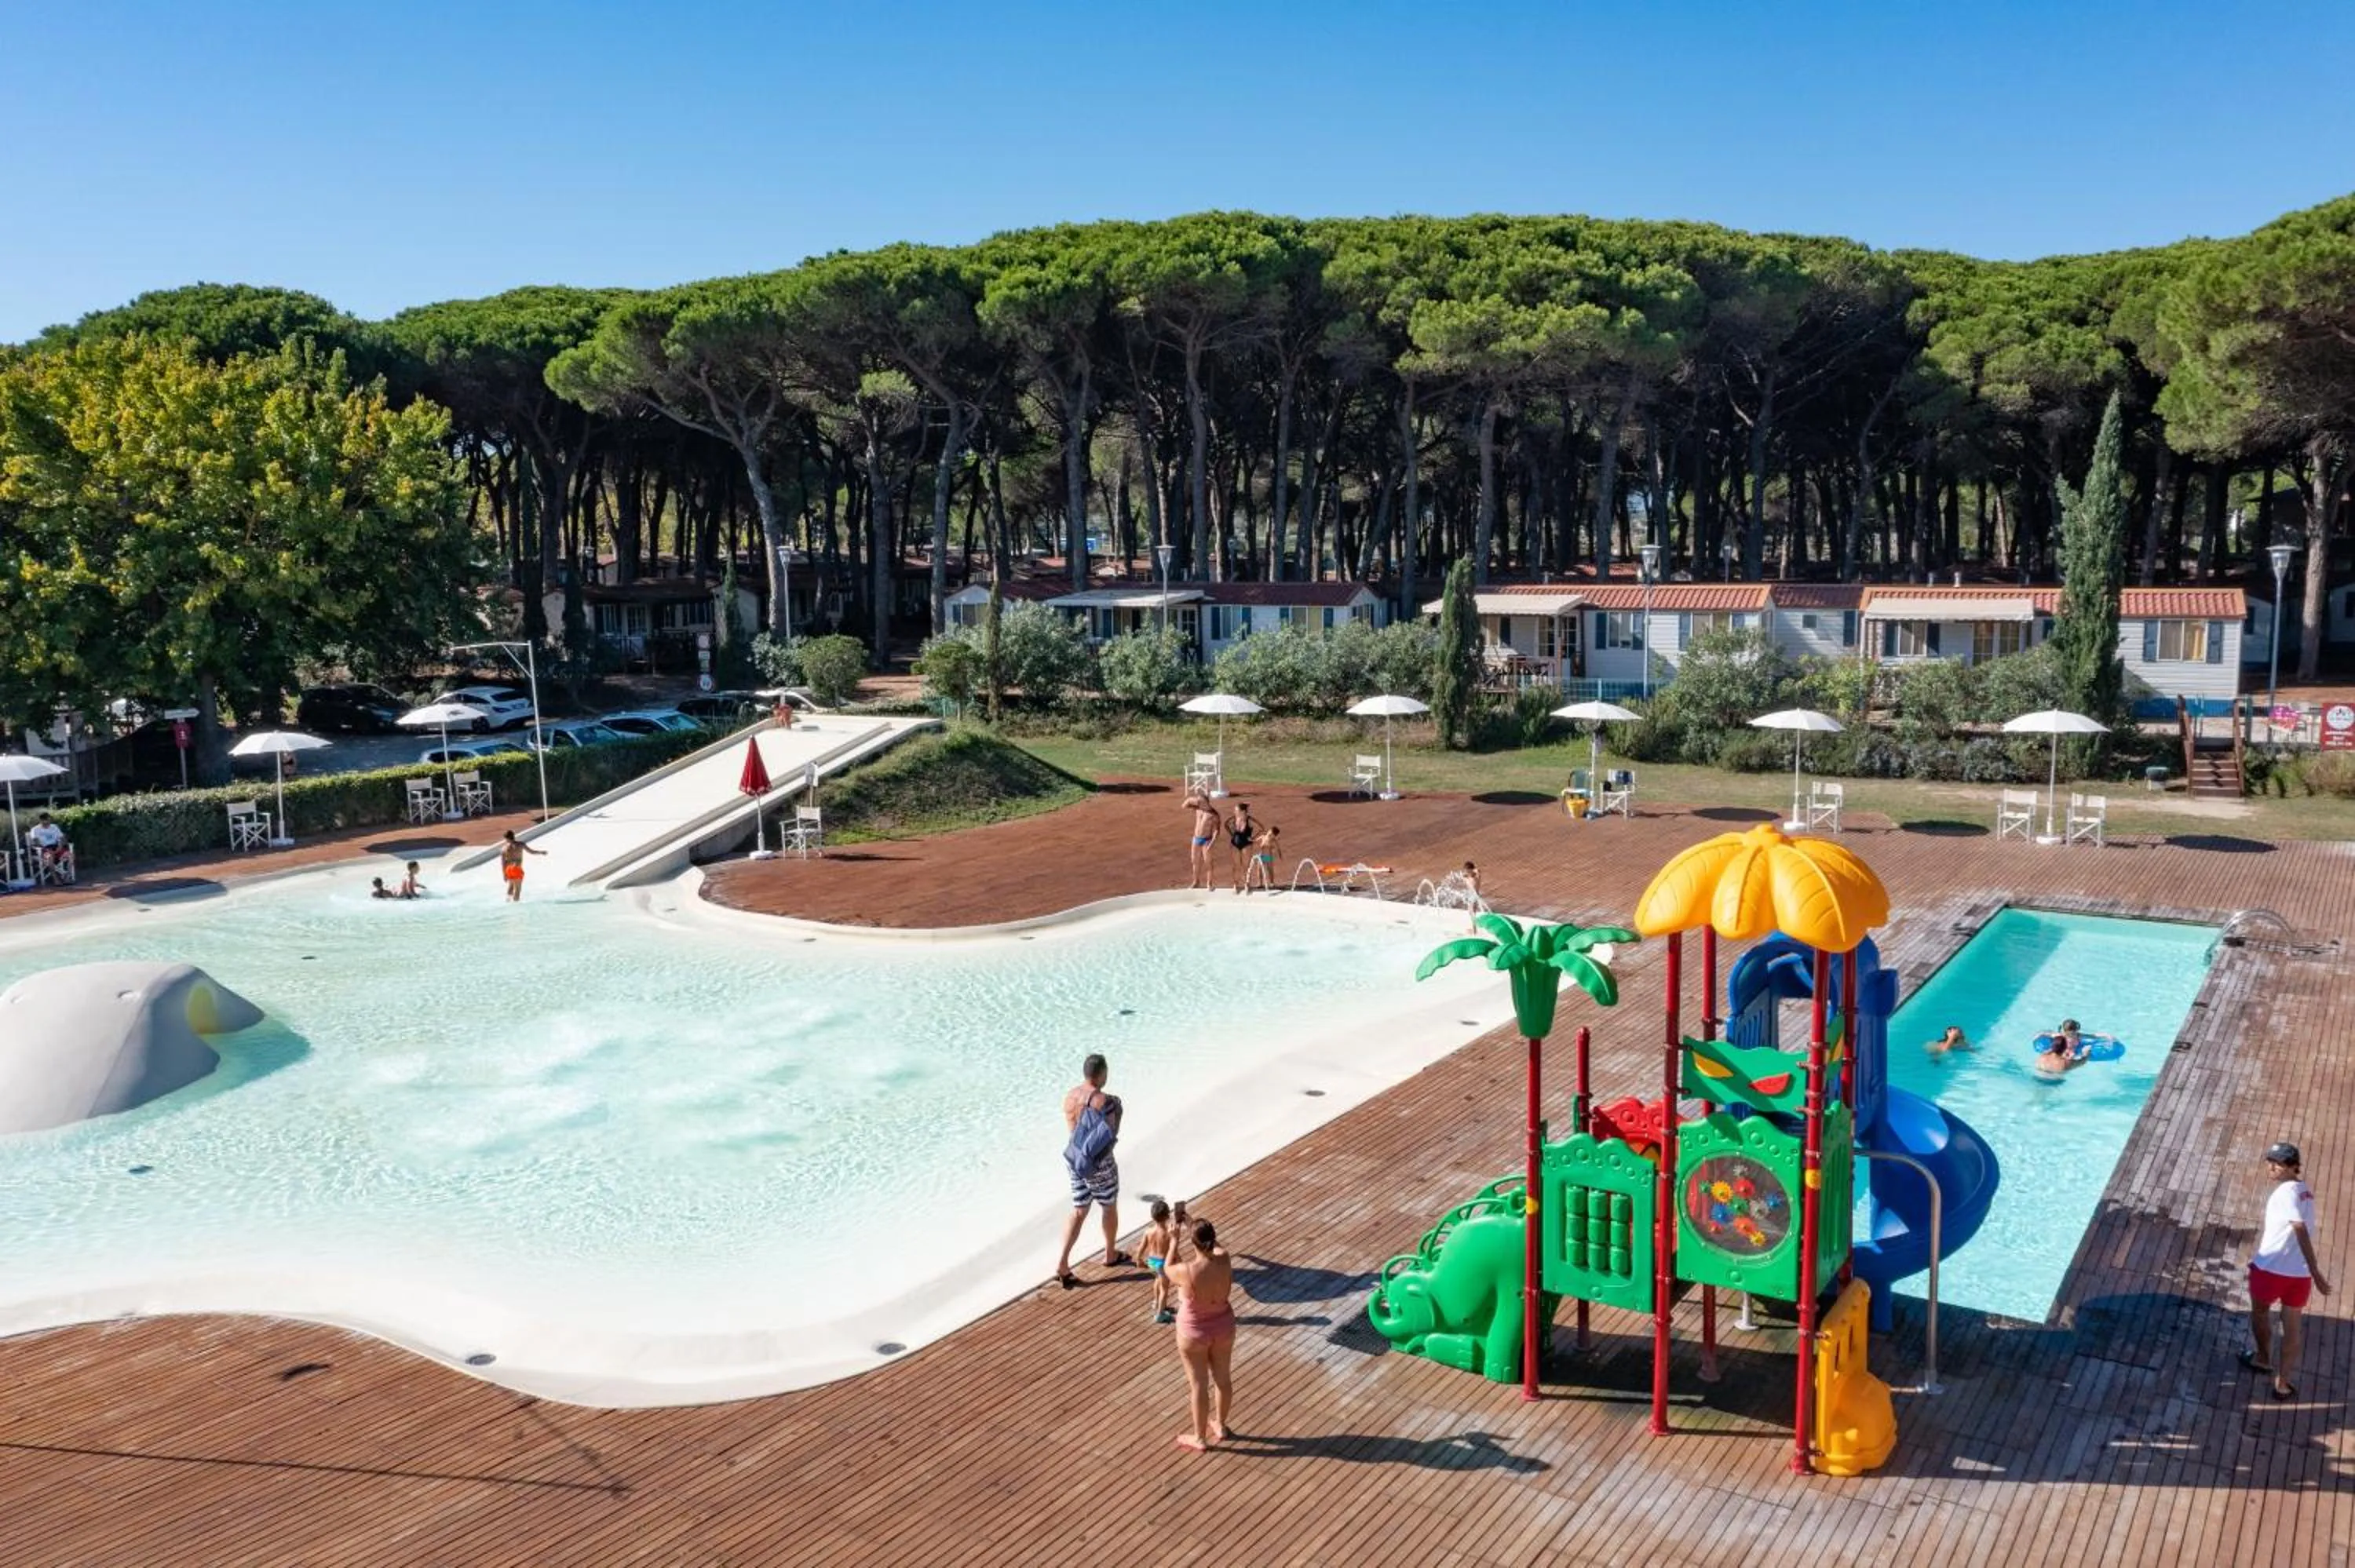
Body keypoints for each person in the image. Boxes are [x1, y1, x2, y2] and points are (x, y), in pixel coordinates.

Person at [2245, 1141, 2329, 1400]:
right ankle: (2282, 1384)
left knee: (2260, 1313)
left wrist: (2316, 1272)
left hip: (2270, 1270)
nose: (2271, 1167)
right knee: (2292, 1328)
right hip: (2298, 1276)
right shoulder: (2305, 1191)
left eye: (2278, 1164)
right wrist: (2309, 1272)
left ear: (2293, 1167)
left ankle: (2262, 1358)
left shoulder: (2284, 1194)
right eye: (2270, 1161)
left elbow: (2299, 1227)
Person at [1053, 1053, 1129, 1289]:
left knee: (1079, 1210)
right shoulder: (1104, 1102)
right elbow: (1110, 1134)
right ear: (1102, 1074)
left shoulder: (1070, 1097)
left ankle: (1063, 1263)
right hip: (1098, 1164)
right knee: (1108, 1206)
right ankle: (1110, 1254)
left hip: (1074, 1160)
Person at [1165, 1205, 1236, 1452]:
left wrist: (1174, 1241)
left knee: (1198, 1385)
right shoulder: (1225, 1258)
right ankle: (1222, 1425)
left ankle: (1199, 1437)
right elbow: (1213, 1245)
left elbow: (1167, 1268)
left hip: (1193, 1332)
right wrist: (1192, 1223)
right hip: (1223, 1326)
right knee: (1223, 1379)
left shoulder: (1187, 1272)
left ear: (1194, 1244)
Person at [1139, 1199, 1178, 1324]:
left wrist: (1139, 1259)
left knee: (1157, 1281)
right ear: (1167, 1216)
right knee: (1164, 1290)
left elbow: (1141, 1248)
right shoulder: (1167, 1233)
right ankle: (1160, 1314)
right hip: (1162, 1263)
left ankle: (1156, 1303)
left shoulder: (1148, 1231)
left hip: (1152, 1261)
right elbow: (1173, 1249)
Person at [1184, 792, 1219, 891]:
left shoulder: (1213, 814)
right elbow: (1184, 805)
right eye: (1198, 801)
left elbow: (1216, 830)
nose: (1199, 803)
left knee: (1208, 862)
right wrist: (1193, 799)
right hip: (1196, 839)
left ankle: (1210, 883)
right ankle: (1196, 882)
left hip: (1206, 840)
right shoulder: (1198, 809)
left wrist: (1212, 843)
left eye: (1201, 801)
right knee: (1195, 862)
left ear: (1207, 802)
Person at [498, 830, 544, 903]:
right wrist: (541, 852)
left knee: (511, 886)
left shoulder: (503, 848)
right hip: (516, 868)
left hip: (508, 869)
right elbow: (531, 852)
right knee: (518, 889)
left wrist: (504, 874)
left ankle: (507, 901)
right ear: (514, 836)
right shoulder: (520, 844)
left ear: (507, 838)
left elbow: (503, 863)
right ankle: (515, 904)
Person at [1224, 802, 1257, 894]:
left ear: (1242, 811)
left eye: (1236, 810)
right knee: (1236, 866)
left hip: (1247, 844)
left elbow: (1262, 828)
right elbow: (1225, 824)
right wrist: (1231, 835)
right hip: (1235, 844)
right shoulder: (1234, 818)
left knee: (1246, 866)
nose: (1234, 812)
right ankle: (1235, 885)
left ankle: (1247, 884)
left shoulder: (1249, 820)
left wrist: (1253, 838)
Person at [26, 813, 68, 881]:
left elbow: (62, 838)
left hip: (56, 847)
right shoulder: (35, 829)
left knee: (70, 856)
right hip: (43, 849)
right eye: (47, 820)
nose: (49, 822)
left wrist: (60, 846)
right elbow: (36, 842)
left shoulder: (54, 827)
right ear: (41, 820)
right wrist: (46, 849)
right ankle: (56, 879)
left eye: (50, 820)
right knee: (50, 857)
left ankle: (67, 877)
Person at [1246, 822, 1280, 894]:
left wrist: (1279, 854)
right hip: (1261, 855)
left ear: (1274, 836)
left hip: (1268, 856)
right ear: (1269, 831)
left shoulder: (1273, 840)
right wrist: (1250, 840)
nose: (1270, 834)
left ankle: (1272, 883)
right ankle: (1260, 883)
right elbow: (1255, 841)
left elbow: (1278, 848)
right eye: (1270, 832)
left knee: (1269, 869)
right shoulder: (1263, 837)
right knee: (1259, 869)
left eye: (1272, 834)